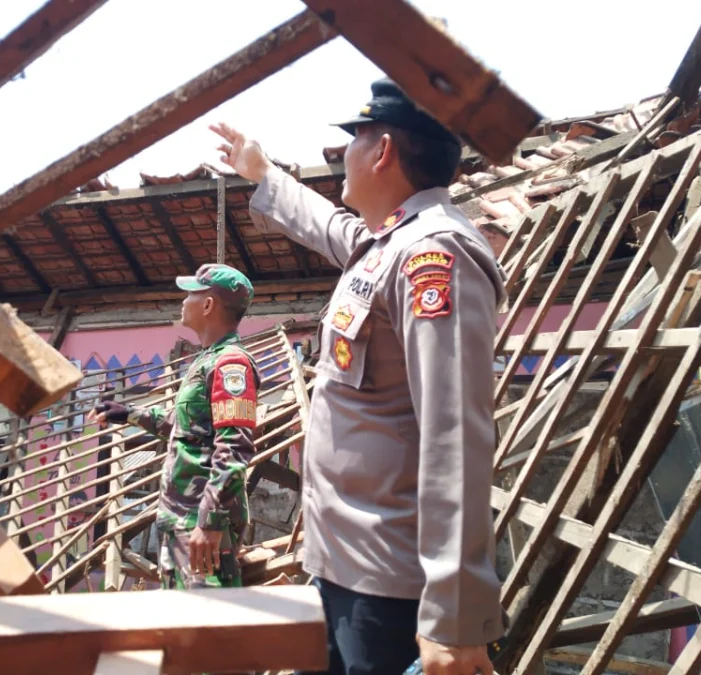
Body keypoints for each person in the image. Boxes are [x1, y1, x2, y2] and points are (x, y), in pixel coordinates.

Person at [210, 77, 506, 675]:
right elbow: (330, 228)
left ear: (384, 150)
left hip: (390, 585)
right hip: (343, 562)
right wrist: (263, 173)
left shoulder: (436, 255)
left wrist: (453, 615)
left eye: (354, 139)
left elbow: (456, 438)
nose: (345, 155)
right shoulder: (388, 244)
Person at [90, 264, 260, 590]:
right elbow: (186, 428)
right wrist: (127, 414)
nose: (183, 300)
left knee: (209, 627)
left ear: (208, 305)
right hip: (179, 519)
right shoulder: (207, 360)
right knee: (183, 625)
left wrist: (210, 522)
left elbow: (234, 446)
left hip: (200, 522)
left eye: (191, 293)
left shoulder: (231, 363)